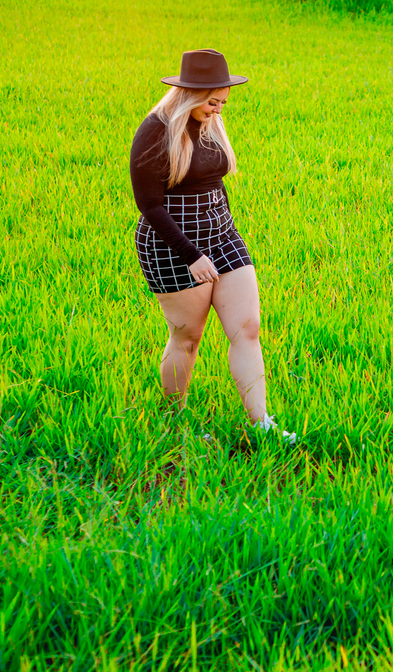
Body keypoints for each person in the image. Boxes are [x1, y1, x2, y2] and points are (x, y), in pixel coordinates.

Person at [129, 48, 296, 444]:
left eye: (223, 102)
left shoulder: (210, 124)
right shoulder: (155, 130)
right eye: (212, 101)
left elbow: (214, 183)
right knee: (188, 336)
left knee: (248, 327)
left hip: (221, 235)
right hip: (173, 247)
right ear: (189, 92)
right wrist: (191, 255)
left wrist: (223, 233)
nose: (218, 109)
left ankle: (262, 424)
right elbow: (149, 204)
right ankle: (173, 425)